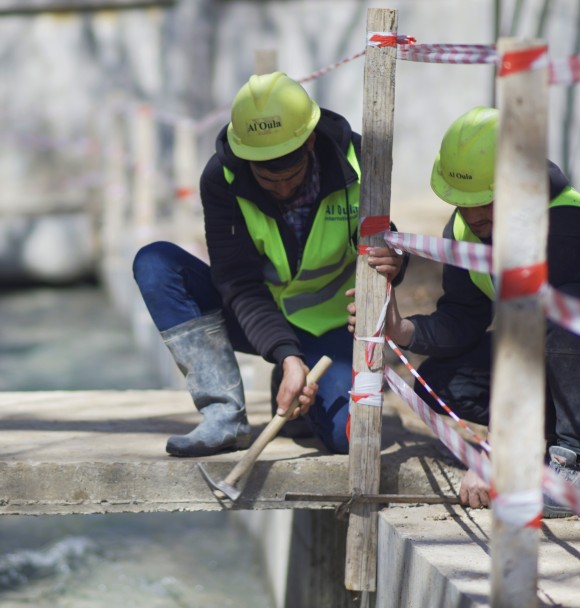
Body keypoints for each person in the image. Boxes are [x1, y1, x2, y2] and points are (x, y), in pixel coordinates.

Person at [358, 106, 580, 517]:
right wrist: (402, 330)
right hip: (559, 348)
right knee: (438, 382)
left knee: (566, 308)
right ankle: (576, 431)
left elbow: (528, 337)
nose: (473, 216)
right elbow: (463, 319)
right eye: (463, 202)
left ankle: (578, 459)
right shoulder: (463, 231)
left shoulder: (568, 225)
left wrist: (497, 453)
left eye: (486, 202)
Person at [133, 72, 402, 457]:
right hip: (257, 320)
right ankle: (224, 417)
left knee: (349, 441)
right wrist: (286, 354)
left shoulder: (362, 164)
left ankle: (302, 389)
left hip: (334, 328)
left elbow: (387, 251)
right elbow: (238, 283)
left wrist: (396, 264)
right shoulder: (221, 178)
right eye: (265, 177)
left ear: (309, 142)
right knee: (155, 263)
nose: (281, 189)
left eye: (290, 175)